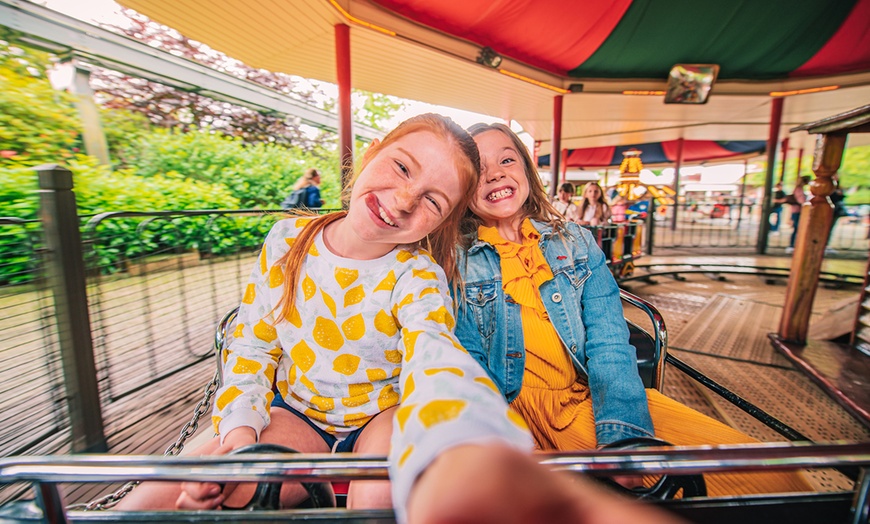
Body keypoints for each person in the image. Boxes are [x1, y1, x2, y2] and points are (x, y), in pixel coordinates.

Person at [114, 114, 531, 516]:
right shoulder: (287, 241)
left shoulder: (418, 275)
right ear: (371, 153)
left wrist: (470, 418)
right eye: (402, 167)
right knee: (161, 496)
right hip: (299, 410)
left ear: (444, 221)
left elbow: (433, 349)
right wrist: (240, 434)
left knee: (379, 497)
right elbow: (253, 342)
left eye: (432, 201)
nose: (404, 200)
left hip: (381, 414)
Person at [454, 122, 813, 498]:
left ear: (526, 170)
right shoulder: (455, 260)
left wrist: (622, 437)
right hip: (512, 412)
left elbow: (609, 338)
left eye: (506, 159)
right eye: (479, 169)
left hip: (598, 398)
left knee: (772, 475)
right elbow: (469, 364)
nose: (494, 173)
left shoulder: (575, 241)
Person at [787, 176, 811, 253]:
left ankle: (794, 244)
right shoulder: (799, 189)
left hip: (797, 210)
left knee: (798, 228)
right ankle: (792, 245)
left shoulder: (799, 189)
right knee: (797, 228)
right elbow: (801, 200)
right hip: (797, 210)